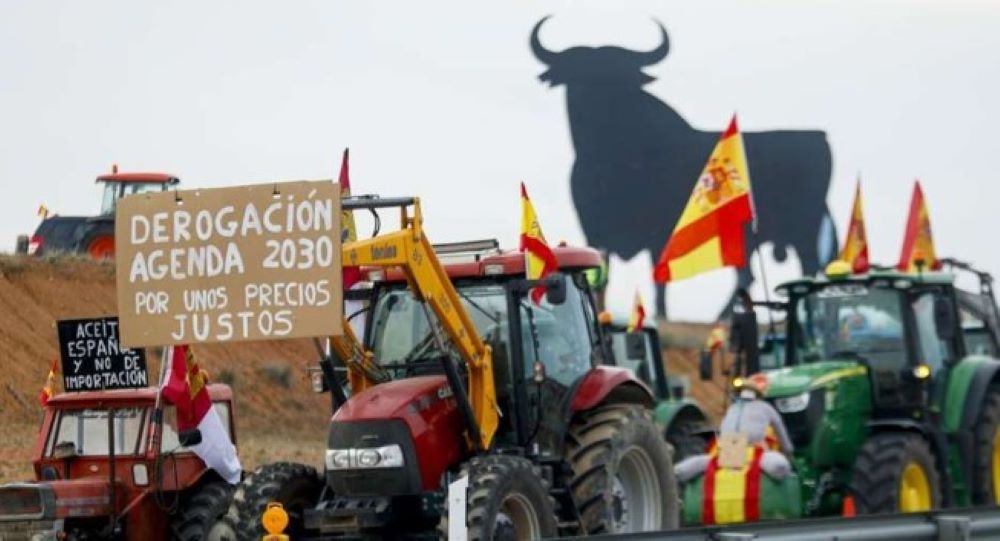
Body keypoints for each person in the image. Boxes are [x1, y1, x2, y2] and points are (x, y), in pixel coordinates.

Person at [675, 374, 794, 482]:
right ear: (758, 395)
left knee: (717, 464)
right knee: (776, 466)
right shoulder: (765, 407)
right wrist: (789, 454)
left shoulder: (732, 408)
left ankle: (679, 471)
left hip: (730, 444)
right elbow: (780, 431)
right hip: (754, 445)